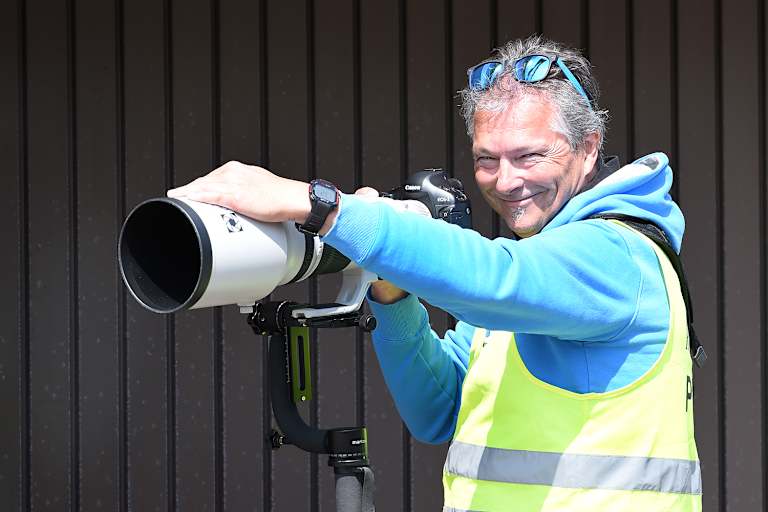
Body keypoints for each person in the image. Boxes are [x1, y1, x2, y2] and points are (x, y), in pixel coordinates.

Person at [168, 36, 701, 511]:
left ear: (588, 149)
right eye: (486, 158)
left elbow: (496, 280)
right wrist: (392, 294)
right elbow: (436, 412)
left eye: (528, 155)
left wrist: (319, 206)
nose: (506, 181)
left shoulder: (616, 254)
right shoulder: (534, 269)